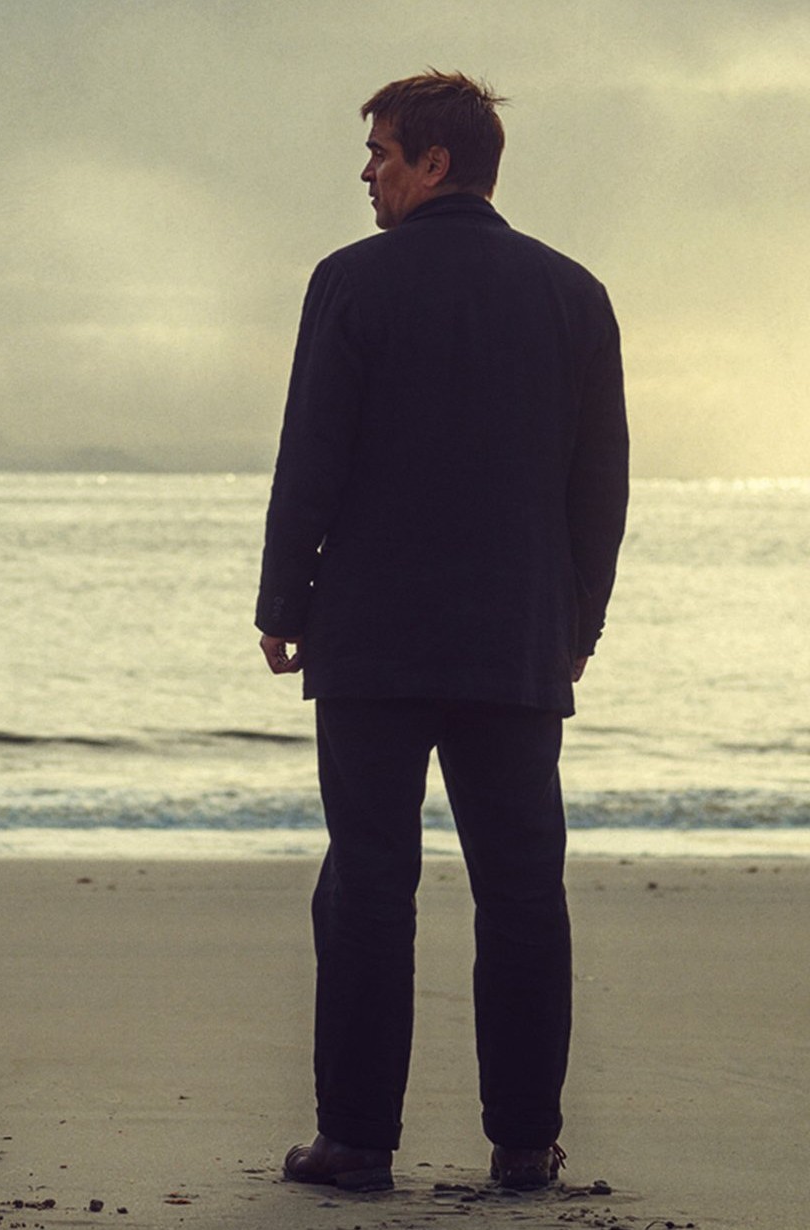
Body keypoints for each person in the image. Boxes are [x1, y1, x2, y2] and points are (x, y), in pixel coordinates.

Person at [255, 71, 628, 1194]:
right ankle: (523, 1145)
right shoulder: (573, 293)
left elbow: (309, 457)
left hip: (370, 640)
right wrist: (578, 625)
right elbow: (597, 484)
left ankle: (355, 1141)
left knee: (367, 882)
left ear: (431, 164)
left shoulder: (351, 284)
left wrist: (282, 603)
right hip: (515, 638)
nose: (365, 171)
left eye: (378, 151)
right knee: (520, 888)